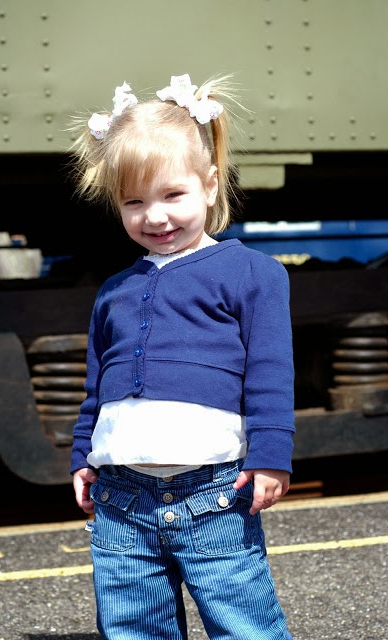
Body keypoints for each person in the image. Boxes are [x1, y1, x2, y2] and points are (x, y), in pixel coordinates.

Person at [69, 73, 295, 640]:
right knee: (133, 630)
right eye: (134, 202)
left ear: (210, 185)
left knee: (246, 627)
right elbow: (97, 386)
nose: (155, 217)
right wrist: (82, 456)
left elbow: (270, 373)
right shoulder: (113, 291)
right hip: (120, 499)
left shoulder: (254, 274)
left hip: (214, 494)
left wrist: (271, 455)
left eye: (173, 195)